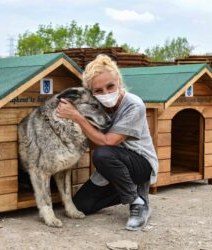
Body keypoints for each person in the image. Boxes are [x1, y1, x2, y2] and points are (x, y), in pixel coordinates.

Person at [56, 54, 158, 231]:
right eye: (98, 90)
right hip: (112, 166)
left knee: (102, 154)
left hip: (140, 163)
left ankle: (138, 202)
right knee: (81, 206)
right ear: (91, 92)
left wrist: (76, 116)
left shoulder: (134, 105)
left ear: (118, 81)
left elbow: (107, 141)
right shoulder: (96, 106)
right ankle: (131, 190)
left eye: (110, 86)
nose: (106, 93)